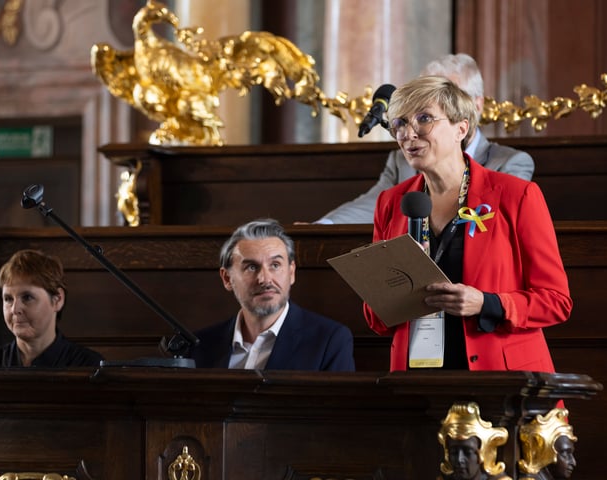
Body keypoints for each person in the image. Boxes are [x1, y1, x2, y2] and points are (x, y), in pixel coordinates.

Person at [363, 75, 571, 372]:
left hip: (500, 376)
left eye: (423, 119)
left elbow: (556, 301)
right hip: (415, 377)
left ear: (461, 128)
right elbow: (376, 319)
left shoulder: (516, 195)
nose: (408, 133)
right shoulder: (391, 202)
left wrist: (487, 304)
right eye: (399, 123)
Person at [316, 53, 534, 224]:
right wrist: (320, 226)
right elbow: (372, 206)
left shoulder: (510, 165)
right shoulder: (401, 161)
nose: (411, 133)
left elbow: (494, 224)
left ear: (474, 108)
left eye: (426, 116)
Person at [190, 218, 355, 371]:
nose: (265, 279)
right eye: (251, 267)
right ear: (227, 278)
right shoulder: (198, 345)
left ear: (291, 273)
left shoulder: (329, 341)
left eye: (275, 265)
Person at [0, 249, 104, 367]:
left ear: (58, 299)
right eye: (8, 299)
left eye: (27, 297)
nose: (15, 309)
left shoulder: (89, 367)